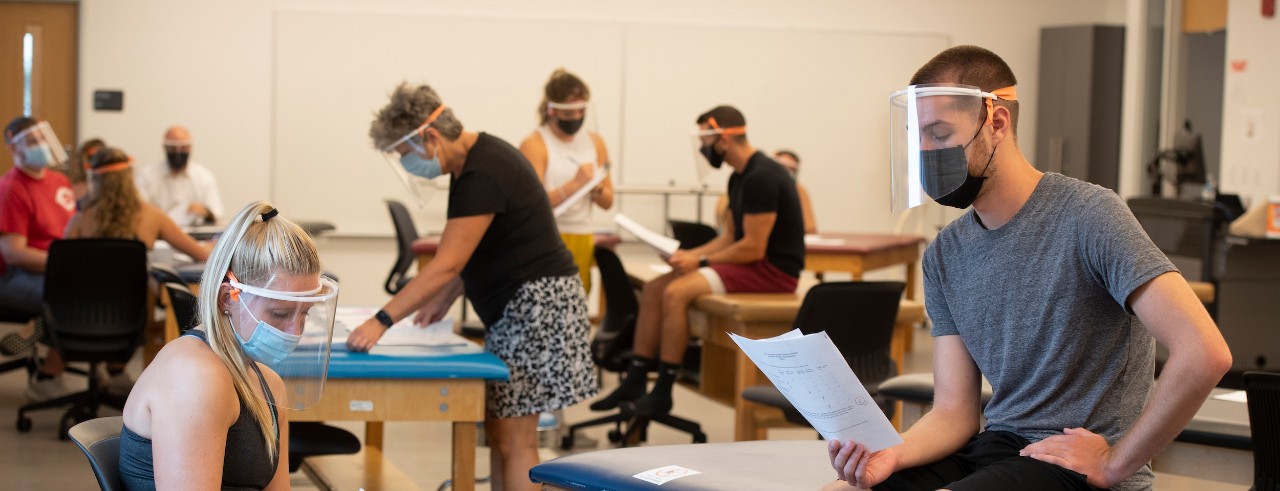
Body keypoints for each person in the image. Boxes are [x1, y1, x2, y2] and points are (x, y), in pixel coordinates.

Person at [825, 45, 1232, 491]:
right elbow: (953, 413)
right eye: (917, 136)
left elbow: (1204, 353)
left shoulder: (1090, 215)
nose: (927, 152)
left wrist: (1118, 463)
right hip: (1000, 448)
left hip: (1074, 465)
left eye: (940, 134)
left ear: (996, 122)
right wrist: (891, 455)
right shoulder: (944, 254)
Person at [348, 83, 596, 491]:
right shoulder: (473, 166)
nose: (408, 165)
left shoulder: (485, 169)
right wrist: (443, 298)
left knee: (516, 440)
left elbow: (447, 264)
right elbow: (479, 251)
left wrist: (382, 320)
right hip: (525, 309)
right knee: (503, 435)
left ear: (429, 137)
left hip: (538, 309)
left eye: (405, 154)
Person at [589, 105, 806, 418]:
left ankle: (663, 389)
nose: (703, 149)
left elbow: (754, 249)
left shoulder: (762, 177)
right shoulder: (738, 178)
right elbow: (731, 236)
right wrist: (688, 256)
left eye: (705, 140)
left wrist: (701, 260)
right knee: (654, 288)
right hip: (750, 265)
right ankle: (636, 380)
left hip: (773, 273)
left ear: (723, 139)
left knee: (675, 293)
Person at [119, 201, 339, 489]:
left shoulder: (269, 385)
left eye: (304, 314)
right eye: (280, 314)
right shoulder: (195, 377)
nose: (295, 331)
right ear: (227, 298)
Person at [28, 147, 215, 395]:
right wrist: (215, 245)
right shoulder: (152, 217)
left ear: (95, 180)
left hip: (72, 318)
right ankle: (116, 371)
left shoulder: (79, 221)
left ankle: (48, 376)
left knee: (83, 294)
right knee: (146, 293)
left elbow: (62, 276)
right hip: (127, 319)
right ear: (130, 178)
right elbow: (201, 254)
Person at [0, 117, 76, 400]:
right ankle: (48, 375)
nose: (41, 146)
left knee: (93, 289)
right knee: (72, 296)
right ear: (14, 147)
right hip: (15, 276)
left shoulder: (59, 181)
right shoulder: (11, 189)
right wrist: (65, 265)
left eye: (43, 139)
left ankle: (113, 371)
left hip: (58, 271)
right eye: (32, 142)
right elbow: (14, 253)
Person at [519, 68, 615, 292]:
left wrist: (596, 188)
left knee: (578, 302)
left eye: (581, 111)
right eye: (569, 113)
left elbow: (608, 202)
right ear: (552, 110)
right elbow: (531, 204)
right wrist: (576, 184)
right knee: (548, 303)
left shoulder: (595, 142)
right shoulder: (535, 143)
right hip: (547, 236)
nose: (576, 118)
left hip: (582, 234)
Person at [135, 125, 224, 226]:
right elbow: (137, 211)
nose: (178, 152)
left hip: (194, 235)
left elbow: (217, 213)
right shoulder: (147, 176)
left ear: (190, 148)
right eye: (173, 148)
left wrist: (205, 212)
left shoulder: (204, 176)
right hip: (157, 233)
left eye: (183, 147)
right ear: (165, 147)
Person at [717, 148, 817, 234]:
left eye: (791, 169)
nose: (786, 173)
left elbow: (810, 228)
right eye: (782, 166)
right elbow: (725, 226)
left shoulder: (798, 190)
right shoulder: (739, 185)